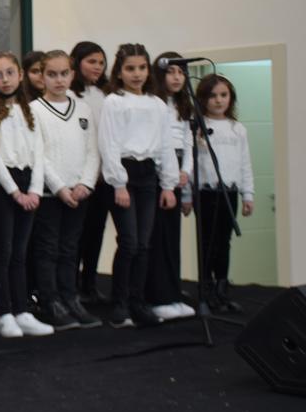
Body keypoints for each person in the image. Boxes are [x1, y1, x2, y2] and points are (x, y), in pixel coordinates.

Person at [98, 44, 179, 329]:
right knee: (129, 241)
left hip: (148, 175)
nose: (137, 74)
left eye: (142, 68)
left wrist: (168, 184)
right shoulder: (114, 102)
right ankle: (119, 303)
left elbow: (166, 145)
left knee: (144, 244)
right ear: (119, 72)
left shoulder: (157, 104)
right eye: (130, 68)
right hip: (124, 172)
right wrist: (118, 183)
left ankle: (137, 301)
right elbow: (108, 143)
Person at [0, 52, 52, 338]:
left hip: (28, 180)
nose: (5, 80)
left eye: (10, 73)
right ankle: (4, 313)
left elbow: (39, 151)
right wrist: (15, 192)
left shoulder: (28, 110)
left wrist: (35, 189)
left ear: (20, 75)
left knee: (20, 253)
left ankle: (22, 310)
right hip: (3, 185)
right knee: (2, 251)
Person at [29, 51, 101, 329]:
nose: (59, 80)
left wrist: (85, 183)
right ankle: (50, 302)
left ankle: (70, 298)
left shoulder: (83, 108)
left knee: (71, 248)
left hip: (79, 192)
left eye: (64, 74)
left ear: (72, 75)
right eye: (52, 74)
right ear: (42, 76)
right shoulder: (35, 110)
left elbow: (92, 150)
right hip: (51, 194)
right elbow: (39, 154)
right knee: (48, 248)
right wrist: (59, 188)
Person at [184, 74, 254, 313]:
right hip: (205, 193)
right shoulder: (196, 126)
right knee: (207, 241)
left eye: (224, 95)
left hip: (229, 192)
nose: (218, 100)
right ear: (202, 98)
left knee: (224, 242)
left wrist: (248, 194)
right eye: (213, 96)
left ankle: (222, 290)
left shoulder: (237, 129)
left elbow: (245, 163)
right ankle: (206, 291)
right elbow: (190, 164)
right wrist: (186, 195)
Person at [147, 52, 195, 321]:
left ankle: (173, 294)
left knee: (172, 238)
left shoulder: (184, 105)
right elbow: (156, 142)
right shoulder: (154, 103)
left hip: (177, 173)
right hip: (159, 173)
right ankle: (158, 296)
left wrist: (185, 170)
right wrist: (168, 172)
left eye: (181, 72)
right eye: (171, 72)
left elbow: (187, 141)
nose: (177, 77)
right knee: (158, 237)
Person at [70, 41, 112, 303]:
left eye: (101, 62)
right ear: (77, 62)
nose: (97, 67)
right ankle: (72, 285)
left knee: (96, 231)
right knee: (77, 233)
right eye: (91, 62)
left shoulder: (107, 94)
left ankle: (90, 282)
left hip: (104, 174)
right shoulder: (71, 95)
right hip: (79, 174)